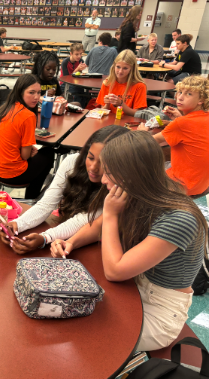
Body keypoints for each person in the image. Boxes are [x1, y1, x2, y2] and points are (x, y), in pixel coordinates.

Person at [51, 131, 207, 352]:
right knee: (64, 308)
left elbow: (115, 271)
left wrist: (111, 213)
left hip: (159, 309)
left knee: (79, 332)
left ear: (134, 174)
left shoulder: (179, 218)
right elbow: (98, 227)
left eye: (110, 173)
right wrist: (72, 242)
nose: (103, 179)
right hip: (134, 287)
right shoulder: (138, 191)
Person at [0, 126, 129, 253]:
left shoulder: (116, 185)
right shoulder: (72, 162)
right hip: (66, 231)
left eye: (102, 162)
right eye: (90, 157)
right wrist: (17, 224)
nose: (93, 167)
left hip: (93, 245)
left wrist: (45, 238)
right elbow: (46, 204)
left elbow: (84, 220)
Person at [138, 75, 209, 197]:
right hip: (202, 185)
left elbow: (148, 142)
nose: (180, 97)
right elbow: (194, 131)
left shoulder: (182, 123)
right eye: (180, 92)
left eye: (188, 94)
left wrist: (142, 133)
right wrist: (179, 119)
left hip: (180, 187)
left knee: (137, 167)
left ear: (201, 100)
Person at [0, 74, 55, 200]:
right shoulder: (28, 116)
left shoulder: (3, 108)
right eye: (31, 92)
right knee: (49, 153)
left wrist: (27, 149)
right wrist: (28, 151)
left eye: (39, 93)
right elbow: (25, 156)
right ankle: (32, 199)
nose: (36, 97)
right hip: (12, 174)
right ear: (20, 92)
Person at [95, 50, 147, 116]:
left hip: (128, 123)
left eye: (125, 68)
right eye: (118, 67)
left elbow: (138, 114)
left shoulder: (139, 86)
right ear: (114, 66)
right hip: (109, 122)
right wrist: (107, 104)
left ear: (132, 69)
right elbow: (103, 110)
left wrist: (121, 104)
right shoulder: (107, 83)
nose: (120, 71)